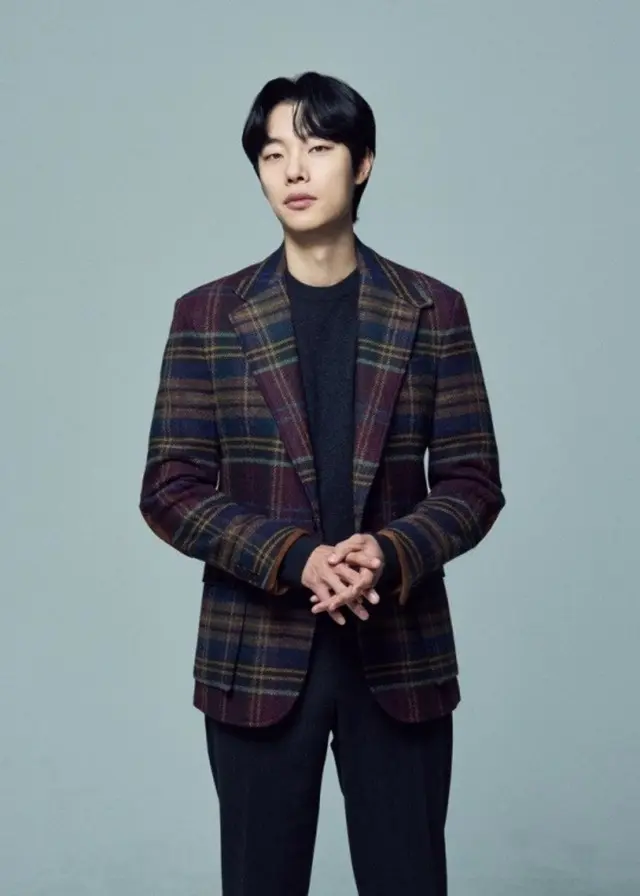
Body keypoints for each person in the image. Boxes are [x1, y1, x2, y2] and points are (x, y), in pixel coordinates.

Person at [139, 70, 505, 896]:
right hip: (257, 659)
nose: (294, 171)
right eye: (274, 154)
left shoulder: (432, 309)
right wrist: (296, 556)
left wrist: (390, 551)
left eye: (317, 147)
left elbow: (472, 480)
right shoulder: (207, 315)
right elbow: (171, 487)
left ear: (363, 162)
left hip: (400, 656)